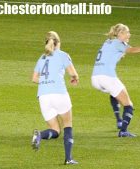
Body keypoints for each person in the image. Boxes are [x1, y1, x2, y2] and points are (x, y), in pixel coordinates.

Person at [91, 23, 140, 137]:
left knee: (114, 93)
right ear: (120, 33)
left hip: (95, 78)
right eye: (127, 32)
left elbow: (120, 52)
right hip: (107, 77)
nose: (129, 34)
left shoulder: (108, 42)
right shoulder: (119, 43)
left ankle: (119, 120)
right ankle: (123, 131)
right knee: (129, 105)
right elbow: (132, 50)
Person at [31, 31, 79, 164]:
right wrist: (74, 79)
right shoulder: (63, 55)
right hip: (59, 94)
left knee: (55, 130)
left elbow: (34, 79)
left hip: (43, 97)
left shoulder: (41, 58)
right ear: (58, 42)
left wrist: (47, 81)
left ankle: (40, 135)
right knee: (67, 125)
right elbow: (73, 74)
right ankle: (68, 158)